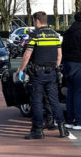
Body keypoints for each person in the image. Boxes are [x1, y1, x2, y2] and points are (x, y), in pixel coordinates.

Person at [16, 11, 67, 139]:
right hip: (52, 73)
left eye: (34, 22)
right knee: (54, 101)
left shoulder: (35, 35)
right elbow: (59, 55)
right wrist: (55, 68)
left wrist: (20, 70)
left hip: (37, 74)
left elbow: (27, 54)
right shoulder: (55, 35)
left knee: (37, 102)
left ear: (37, 21)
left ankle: (38, 130)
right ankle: (62, 128)